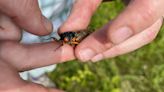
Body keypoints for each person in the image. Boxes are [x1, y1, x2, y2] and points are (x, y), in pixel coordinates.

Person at [0, 0, 163, 92]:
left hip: (60, 11)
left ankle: (37, 75)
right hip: (12, 23)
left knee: (47, 52)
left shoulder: (65, 35)